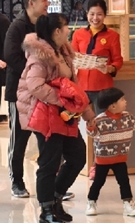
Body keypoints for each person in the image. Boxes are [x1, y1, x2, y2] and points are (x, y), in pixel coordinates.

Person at [17, 13, 95, 223]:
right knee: (49, 163)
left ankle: (56, 197)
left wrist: (87, 112)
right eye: (66, 26)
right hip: (45, 116)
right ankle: (46, 210)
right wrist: (62, 100)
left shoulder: (63, 52)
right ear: (57, 31)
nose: (69, 30)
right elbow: (35, 86)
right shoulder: (39, 55)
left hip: (63, 116)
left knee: (77, 156)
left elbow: (73, 87)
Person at [4, 0, 49, 198]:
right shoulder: (17, 27)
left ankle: (49, 182)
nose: (47, 3)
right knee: (19, 139)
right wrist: (33, 74)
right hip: (20, 92)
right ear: (31, 3)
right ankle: (17, 182)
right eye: (44, 0)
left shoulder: (44, 25)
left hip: (42, 92)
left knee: (47, 139)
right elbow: (10, 56)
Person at [85, 87, 135, 217]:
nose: (125, 101)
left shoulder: (127, 117)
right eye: (122, 99)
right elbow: (92, 134)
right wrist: (91, 126)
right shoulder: (100, 120)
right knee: (98, 182)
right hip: (103, 159)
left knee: (124, 181)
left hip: (120, 158)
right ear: (113, 105)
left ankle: (128, 203)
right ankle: (91, 201)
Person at [71, 0, 123, 113]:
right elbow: (72, 57)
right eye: (92, 14)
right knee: (78, 120)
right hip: (81, 85)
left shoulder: (113, 35)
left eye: (99, 14)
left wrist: (110, 68)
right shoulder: (78, 34)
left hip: (103, 87)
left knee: (102, 120)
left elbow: (118, 60)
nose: (95, 18)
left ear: (105, 15)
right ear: (87, 14)